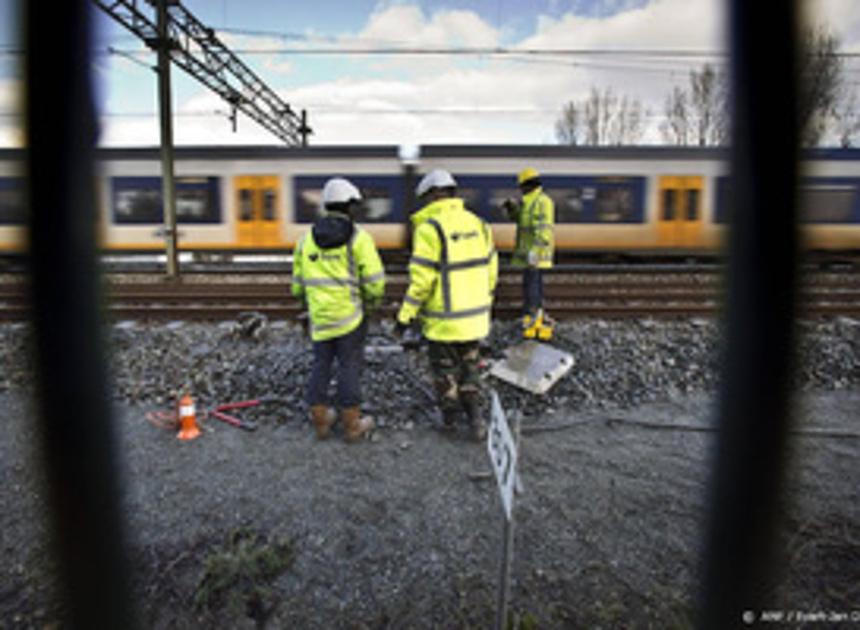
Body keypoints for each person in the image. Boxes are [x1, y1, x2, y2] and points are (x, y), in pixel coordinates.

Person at [395, 169, 498, 440]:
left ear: (431, 196)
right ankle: (476, 422)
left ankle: (450, 421)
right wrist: (481, 303)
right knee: (470, 368)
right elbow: (491, 274)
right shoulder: (480, 225)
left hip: (443, 322)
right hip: (475, 320)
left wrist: (405, 317)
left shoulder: (430, 229)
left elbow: (421, 282)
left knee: (445, 372)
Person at [291, 177, 385, 442]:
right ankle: (352, 426)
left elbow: (297, 286)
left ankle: (321, 423)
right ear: (350, 207)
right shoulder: (359, 238)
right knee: (349, 367)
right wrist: (371, 302)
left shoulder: (305, 240)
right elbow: (375, 283)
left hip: (320, 319)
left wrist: (307, 304)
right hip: (350, 318)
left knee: (321, 364)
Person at [503, 167, 555, 340]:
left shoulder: (542, 201)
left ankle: (533, 320)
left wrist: (536, 253)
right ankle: (532, 316)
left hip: (535, 256)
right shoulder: (528, 201)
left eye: (521, 186)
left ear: (527, 185)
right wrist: (512, 209)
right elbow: (519, 220)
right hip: (528, 255)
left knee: (532, 289)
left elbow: (544, 231)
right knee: (529, 287)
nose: (520, 189)